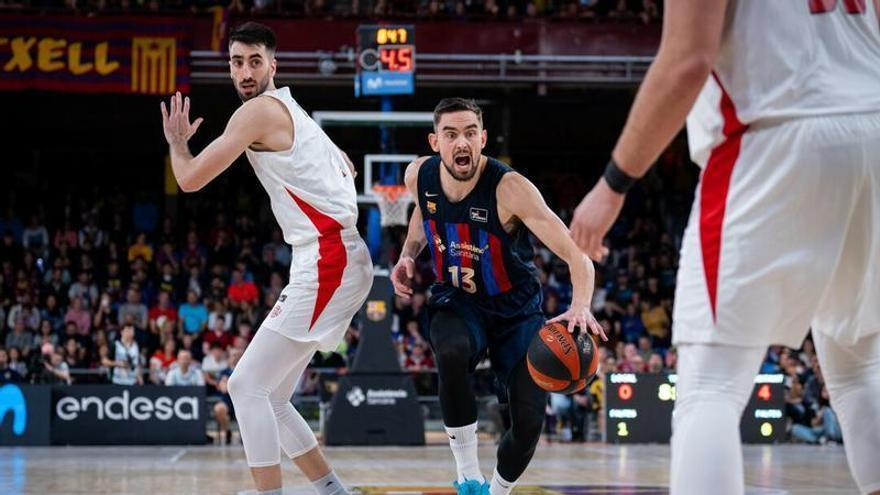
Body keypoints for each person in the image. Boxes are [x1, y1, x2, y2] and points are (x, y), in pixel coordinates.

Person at [568, 2, 880, 493]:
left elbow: (688, 60)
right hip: (871, 131)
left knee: (711, 386)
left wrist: (612, 186)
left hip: (775, 134)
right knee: (861, 369)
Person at [160, 21, 372, 495]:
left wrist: (177, 144)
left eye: (255, 61)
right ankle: (335, 491)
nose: (246, 70)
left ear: (272, 65)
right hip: (330, 257)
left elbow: (190, 178)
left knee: (244, 387)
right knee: (272, 397)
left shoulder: (257, 112)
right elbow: (338, 163)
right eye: (237, 61)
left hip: (329, 258)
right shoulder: (295, 109)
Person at [391, 98, 606, 495]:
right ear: (435, 141)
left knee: (527, 424)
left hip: (515, 311)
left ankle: (497, 491)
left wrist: (580, 306)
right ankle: (468, 477)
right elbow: (423, 213)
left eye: (471, 133)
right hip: (458, 299)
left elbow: (579, 256)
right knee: (451, 352)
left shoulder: (511, 188)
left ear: (483, 138)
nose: (462, 143)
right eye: (452, 134)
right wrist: (408, 254)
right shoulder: (417, 175)